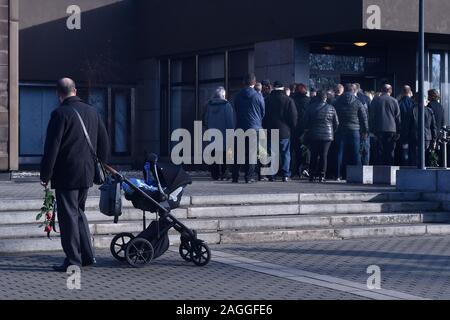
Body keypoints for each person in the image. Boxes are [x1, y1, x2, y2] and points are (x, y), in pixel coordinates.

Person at [40, 78, 110, 272]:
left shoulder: (59, 114)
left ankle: (73, 260)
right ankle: (87, 256)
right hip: (86, 173)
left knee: (69, 217)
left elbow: (52, 147)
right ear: (75, 90)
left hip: (66, 175)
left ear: (58, 93)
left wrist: (45, 174)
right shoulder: (92, 112)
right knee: (78, 213)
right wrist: (100, 166)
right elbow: (104, 142)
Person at [232, 73, 265, 184]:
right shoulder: (258, 96)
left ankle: (235, 176)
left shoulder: (237, 95)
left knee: (238, 153)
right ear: (254, 83)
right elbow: (262, 112)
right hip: (254, 127)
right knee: (251, 153)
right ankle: (249, 176)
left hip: (240, 126)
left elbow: (235, 109)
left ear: (243, 82)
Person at [263, 81, 298, 182]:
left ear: (273, 88)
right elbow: (293, 117)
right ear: (283, 88)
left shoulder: (267, 100)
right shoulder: (288, 100)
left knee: (272, 152)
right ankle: (285, 174)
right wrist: (292, 127)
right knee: (285, 153)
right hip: (284, 130)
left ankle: (272, 174)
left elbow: (264, 116)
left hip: (270, 129)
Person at [334, 83, 368, 180]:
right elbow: (364, 118)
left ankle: (337, 175)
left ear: (344, 90)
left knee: (339, 153)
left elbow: (333, 115)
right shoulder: (358, 102)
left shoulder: (337, 101)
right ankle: (357, 175)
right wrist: (365, 131)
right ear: (353, 91)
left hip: (341, 130)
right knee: (356, 153)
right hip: (354, 130)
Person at [304, 90, 339, 182]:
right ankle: (322, 175)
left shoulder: (310, 107)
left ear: (317, 97)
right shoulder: (331, 108)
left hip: (314, 134)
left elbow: (305, 121)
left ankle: (311, 174)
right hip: (327, 135)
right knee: (324, 155)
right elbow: (336, 123)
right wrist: (332, 131)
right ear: (325, 98)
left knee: (314, 155)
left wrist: (307, 130)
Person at [203, 87, 235, 180]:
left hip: (213, 135)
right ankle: (225, 173)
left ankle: (215, 174)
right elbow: (230, 121)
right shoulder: (227, 105)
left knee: (214, 154)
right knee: (225, 155)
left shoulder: (209, 105)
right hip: (224, 135)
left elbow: (206, 120)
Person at [369, 84, 401, 165]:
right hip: (391, 129)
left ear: (381, 90)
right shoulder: (394, 101)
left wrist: (371, 129)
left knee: (379, 151)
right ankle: (390, 169)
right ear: (390, 91)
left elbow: (371, 116)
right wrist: (399, 131)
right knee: (390, 150)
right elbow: (397, 117)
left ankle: (379, 169)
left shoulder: (375, 100)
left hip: (378, 128)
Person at [406, 93, 437, 166]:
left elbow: (407, 126)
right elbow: (433, 127)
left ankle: (415, 172)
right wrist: (434, 139)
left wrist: (406, 138)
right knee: (424, 157)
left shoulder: (412, 110)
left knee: (414, 157)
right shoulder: (430, 111)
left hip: (414, 137)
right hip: (427, 137)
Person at [291, 83, 311, 178]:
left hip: (294, 129)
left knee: (295, 151)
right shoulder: (308, 101)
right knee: (305, 149)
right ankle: (304, 168)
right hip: (305, 129)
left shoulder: (292, 100)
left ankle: (295, 171)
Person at [354, 83, 371, 165]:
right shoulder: (366, 98)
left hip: (357, 127)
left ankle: (358, 168)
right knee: (366, 150)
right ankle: (366, 167)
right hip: (365, 127)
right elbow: (369, 114)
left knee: (358, 150)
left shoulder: (354, 99)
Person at [427, 89, 445, 166]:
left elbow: (428, 120)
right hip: (438, 132)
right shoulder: (441, 106)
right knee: (436, 151)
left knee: (429, 151)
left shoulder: (429, 105)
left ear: (432, 96)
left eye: (428, 95)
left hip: (430, 132)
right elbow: (443, 121)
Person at [398, 85, 415, 165]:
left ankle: (404, 165)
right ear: (410, 92)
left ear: (402, 92)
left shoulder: (399, 102)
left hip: (402, 131)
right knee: (412, 152)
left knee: (404, 151)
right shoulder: (413, 103)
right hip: (412, 132)